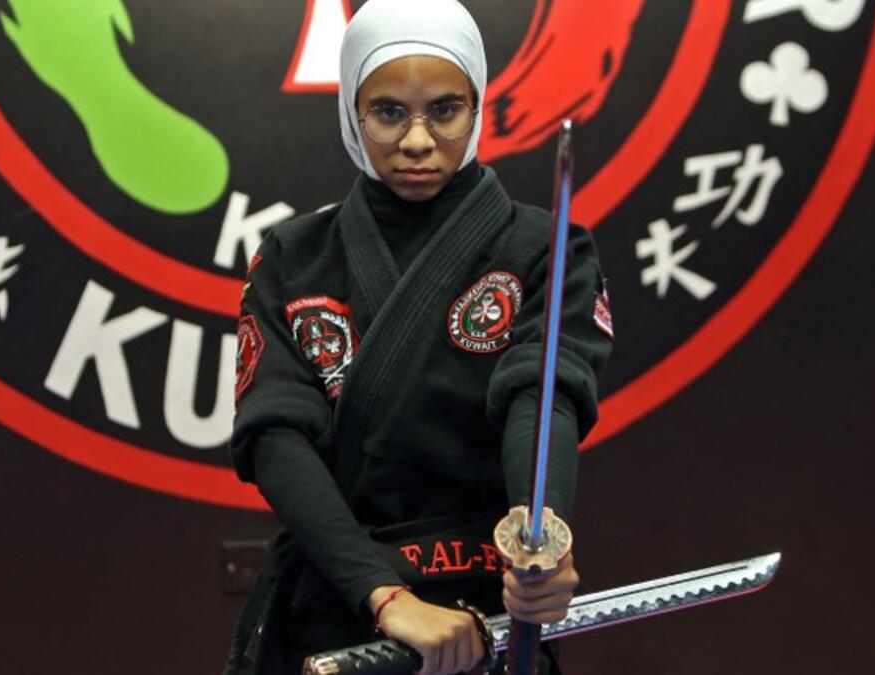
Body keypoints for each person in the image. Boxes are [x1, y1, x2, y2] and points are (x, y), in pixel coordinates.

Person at [224, 1, 612, 672]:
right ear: (352, 111)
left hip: (489, 604)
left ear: (477, 106)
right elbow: (276, 439)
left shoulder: (544, 248)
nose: (417, 140)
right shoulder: (294, 256)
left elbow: (541, 396)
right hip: (342, 601)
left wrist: (539, 540)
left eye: (444, 109)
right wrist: (385, 597)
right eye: (389, 112)